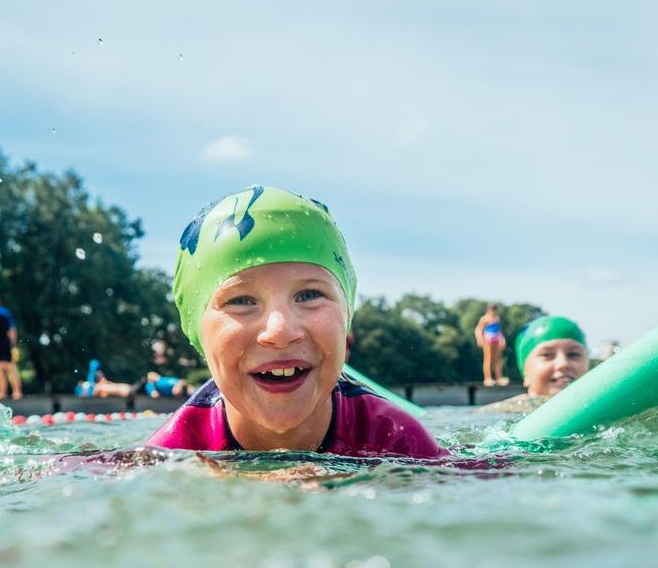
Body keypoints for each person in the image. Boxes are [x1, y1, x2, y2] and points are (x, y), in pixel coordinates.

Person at [144, 186, 449, 459]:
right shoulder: (171, 456)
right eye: (240, 301)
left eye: (309, 294)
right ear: (196, 329)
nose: (280, 331)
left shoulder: (398, 441)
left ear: (346, 316)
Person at [483, 315, 589, 412]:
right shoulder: (502, 411)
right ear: (525, 371)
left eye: (573, 354)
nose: (563, 364)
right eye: (547, 355)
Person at [474, 303, 509, 387]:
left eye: (494, 309)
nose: (493, 311)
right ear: (488, 309)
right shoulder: (484, 319)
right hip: (488, 340)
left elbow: (499, 330)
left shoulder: (497, 318)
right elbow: (478, 330)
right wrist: (480, 339)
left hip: (496, 340)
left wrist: (502, 339)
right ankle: (487, 378)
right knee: (488, 359)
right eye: (492, 309)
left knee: (497, 360)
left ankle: (499, 378)